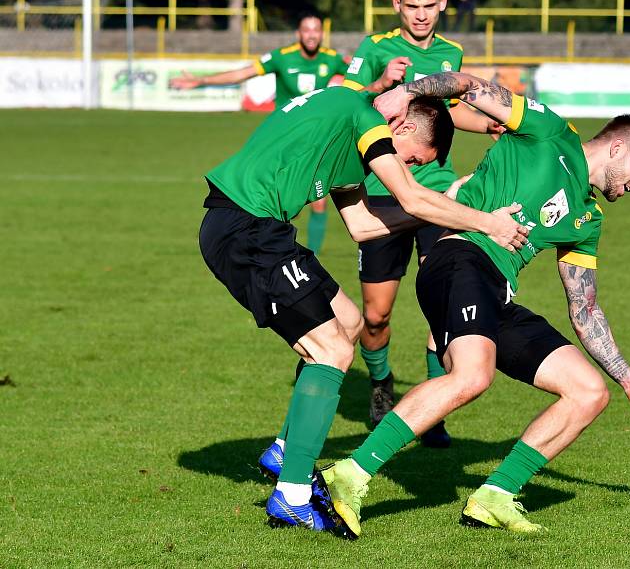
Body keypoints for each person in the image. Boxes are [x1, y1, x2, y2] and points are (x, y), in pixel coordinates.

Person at [317, 71, 630, 539]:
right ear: (619, 148)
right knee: (472, 375)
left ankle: (495, 495)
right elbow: (467, 85)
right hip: (459, 255)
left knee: (588, 391)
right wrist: (404, 93)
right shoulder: (551, 131)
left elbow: (585, 311)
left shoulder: (589, 219)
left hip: (497, 290)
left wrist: (627, 377)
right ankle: (349, 475)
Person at [198, 84, 528, 532]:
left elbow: (363, 224)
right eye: (413, 159)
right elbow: (411, 197)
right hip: (248, 231)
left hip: (251, 228)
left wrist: (449, 209)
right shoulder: (364, 119)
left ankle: (283, 449)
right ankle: (292, 496)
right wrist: (487, 222)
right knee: (332, 351)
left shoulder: (346, 133)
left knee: (349, 321)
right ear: (405, 126)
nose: (408, 167)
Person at [341, 0, 501, 446]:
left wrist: (490, 123)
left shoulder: (451, 53)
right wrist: (379, 85)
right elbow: (342, 108)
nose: (421, 15)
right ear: (397, 6)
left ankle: (433, 407)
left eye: (429, 6)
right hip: (387, 193)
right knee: (375, 316)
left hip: (437, 194)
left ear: (443, 3)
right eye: (412, 6)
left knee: (444, 303)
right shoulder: (375, 49)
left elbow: (448, 116)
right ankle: (381, 385)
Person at [171, 13, 348, 255]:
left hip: (314, 141)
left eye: (315, 29)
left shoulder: (333, 59)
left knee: (319, 200)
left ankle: (312, 256)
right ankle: (274, 248)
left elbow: (360, 79)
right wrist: (201, 81)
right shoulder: (281, 57)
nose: (311, 34)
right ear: (299, 34)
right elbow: (242, 74)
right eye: (306, 30)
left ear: (322, 34)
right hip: (282, 140)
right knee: (282, 202)